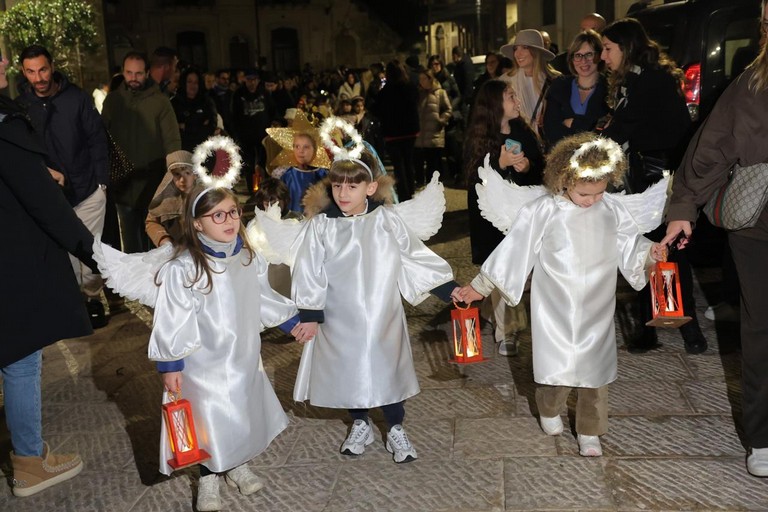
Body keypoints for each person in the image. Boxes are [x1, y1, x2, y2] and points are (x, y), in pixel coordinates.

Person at [453, 133, 667, 457]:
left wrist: (652, 254)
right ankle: (549, 406)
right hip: (554, 306)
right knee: (558, 368)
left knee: (595, 371)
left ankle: (590, 430)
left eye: (599, 192)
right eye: (584, 193)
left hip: (597, 304)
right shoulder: (544, 210)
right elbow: (514, 251)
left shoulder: (611, 210)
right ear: (563, 180)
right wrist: (479, 287)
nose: (591, 200)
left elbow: (631, 244)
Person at [100, 179, 301, 510]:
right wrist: (170, 365)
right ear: (196, 223)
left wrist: (292, 322)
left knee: (241, 409)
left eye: (233, 212)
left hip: (242, 357)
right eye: (217, 216)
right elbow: (172, 319)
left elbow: (262, 297)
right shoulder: (183, 268)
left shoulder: (249, 258)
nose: (230, 221)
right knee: (208, 417)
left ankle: (236, 462)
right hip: (200, 363)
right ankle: (208, 475)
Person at [290, 146, 458, 464]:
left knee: (387, 368)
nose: (343, 193)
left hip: (383, 313)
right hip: (340, 315)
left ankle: (395, 427)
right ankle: (360, 422)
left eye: (352, 186)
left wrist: (448, 289)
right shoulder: (322, 225)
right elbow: (309, 269)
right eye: (337, 185)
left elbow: (413, 256)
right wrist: (311, 314)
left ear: (369, 188)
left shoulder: (385, 220)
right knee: (350, 370)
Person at [660, 0, 768, 476]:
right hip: (759, 226)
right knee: (762, 328)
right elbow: (711, 147)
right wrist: (683, 209)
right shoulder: (752, 83)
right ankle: (763, 438)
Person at [0, 52, 96, 497]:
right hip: (12, 261)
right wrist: (94, 253)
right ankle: (30, 462)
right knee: (21, 359)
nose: (4, 61)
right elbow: (41, 202)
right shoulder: (4, 122)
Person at [599, 18, 706, 354]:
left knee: (667, 249)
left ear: (626, 47)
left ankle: (685, 326)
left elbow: (625, 128)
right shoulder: (635, 79)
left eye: (607, 48)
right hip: (645, 176)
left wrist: (588, 151)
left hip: (660, 178)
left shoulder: (650, 80)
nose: (603, 56)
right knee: (648, 248)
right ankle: (655, 324)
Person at [17, 44, 110, 329]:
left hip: (88, 191)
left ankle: (94, 298)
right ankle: (76, 306)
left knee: (91, 251)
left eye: (43, 69)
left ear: (52, 66)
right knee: (66, 256)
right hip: (52, 197)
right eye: (31, 72)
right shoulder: (22, 106)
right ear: (23, 72)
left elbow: (97, 140)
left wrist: (102, 183)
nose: (39, 77)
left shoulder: (77, 99)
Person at [464, 79, 544, 356]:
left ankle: (490, 309)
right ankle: (507, 332)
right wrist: (499, 165)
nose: (516, 99)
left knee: (518, 270)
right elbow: (475, 179)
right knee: (502, 269)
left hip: (521, 212)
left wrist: (526, 166)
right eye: (510, 95)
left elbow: (539, 171)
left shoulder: (523, 130)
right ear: (495, 104)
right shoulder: (480, 136)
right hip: (493, 219)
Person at [101, 51, 181, 254]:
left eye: (138, 73)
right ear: (123, 72)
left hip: (152, 184)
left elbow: (172, 141)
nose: (133, 78)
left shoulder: (160, 101)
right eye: (129, 73)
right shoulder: (113, 101)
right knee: (130, 241)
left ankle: (155, 282)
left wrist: (174, 173)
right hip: (123, 183)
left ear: (146, 73)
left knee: (154, 238)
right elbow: (102, 137)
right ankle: (134, 284)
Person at [543, 30, 609, 147]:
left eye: (589, 54)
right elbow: (551, 130)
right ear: (572, 59)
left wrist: (571, 123)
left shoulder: (610, 88)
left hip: (599, 160)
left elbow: (605, 133)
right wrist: (586, 125)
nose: (583, 61)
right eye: (578, 55)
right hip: (561, 159)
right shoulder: (560, 85)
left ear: (599, 56)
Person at [370, 60, 420, 200]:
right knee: (409, 162)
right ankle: (411, 190)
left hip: (392, 133)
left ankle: (404, 194)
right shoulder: (410, 87)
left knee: (398, 165)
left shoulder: (385, 91)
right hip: (409, 131)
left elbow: (376, 109)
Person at [499, 29, 560, 135]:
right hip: (518, 142)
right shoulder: (505, 81)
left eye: (525, 48)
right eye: (515, 49)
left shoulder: (556, 80)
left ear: (536, 52)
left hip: (550, 142)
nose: (518, 53)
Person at [232, 68, 278, 194]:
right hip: (246, 136)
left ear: (258, 80)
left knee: (264, 163)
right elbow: (234, 115)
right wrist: (237, 135)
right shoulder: (238, 94)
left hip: (263, 136)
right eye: (248, 80)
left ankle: (267, 189)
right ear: (244, 80)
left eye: (254, 80)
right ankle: (253, 190)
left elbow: (272, 110)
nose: (251, 83)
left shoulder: (264, 93)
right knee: (249, 165)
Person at [145, 150, 195, 247]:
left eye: (187, 173)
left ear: (195, 175)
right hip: (177, 251)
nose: (182, 180)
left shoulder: (206, 197)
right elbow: (151, 221)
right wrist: (164, 239)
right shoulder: (165, 199)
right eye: (177, 174)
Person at [271, 132, 329, 215]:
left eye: (306, 147)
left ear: (315, 149)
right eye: (297, 146)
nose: (301, 151)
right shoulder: (285, 175)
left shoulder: (323, 175)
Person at [414, 68, 452, 187]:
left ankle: (433, 186)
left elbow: (448, 109)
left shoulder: (440, 92)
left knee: (433, 163)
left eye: (424, 78)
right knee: (418, 161)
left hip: (434, 134)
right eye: (420, 79)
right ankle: (420, 182)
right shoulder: (418, 94)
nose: (421, 81)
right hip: (420, 135)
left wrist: (441, 120)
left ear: (430, 79)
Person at [171, 67, 218, 151]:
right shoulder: (175, 103)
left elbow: (211, 127)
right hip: (182, 151)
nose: (192, 85)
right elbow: (174, 130)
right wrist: (199, 124)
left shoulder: (207, 102)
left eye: (196, 82)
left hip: (204, 151)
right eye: (189, 82)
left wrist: (186, 126)